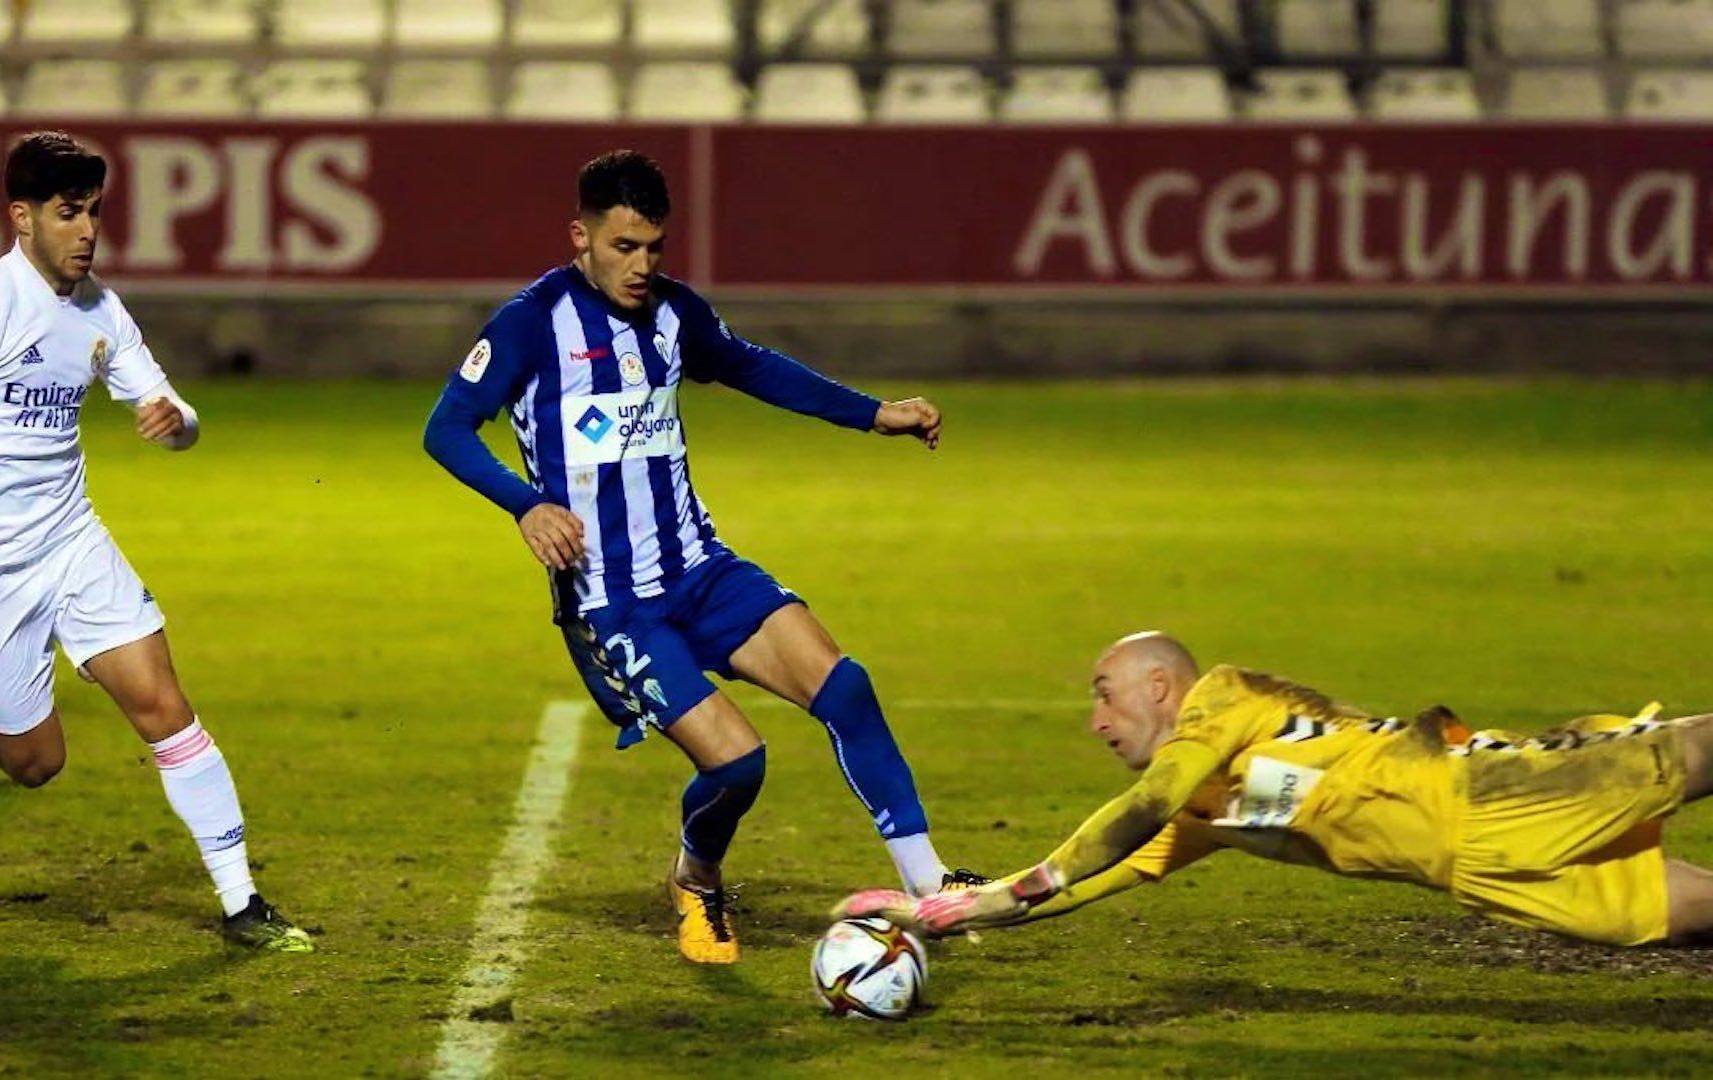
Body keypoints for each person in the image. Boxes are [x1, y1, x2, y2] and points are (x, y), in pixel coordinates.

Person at [424, 149, 982, 965]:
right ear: (580, 236)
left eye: (655, 247)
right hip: (612, 602)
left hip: (700, 569)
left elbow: (750, 365)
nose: (643, 265)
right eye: (623, 247)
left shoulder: (675, 314)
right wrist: (528, 503)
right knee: (737, 764)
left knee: (846, 687)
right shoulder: (528, 324)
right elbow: (445, 428)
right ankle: (696, 879)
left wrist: (874, 415)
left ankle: (930, 885)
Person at [0, 130, 311, 950]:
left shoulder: (101, 310)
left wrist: (177, 423)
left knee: (164, 706)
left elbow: (179, 418)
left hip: (73, 541)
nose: (88, 232)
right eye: (70, 214)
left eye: (96, 214)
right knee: (36, 764)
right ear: (22, 217)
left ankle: (242, 901)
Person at [838, 631, 1713, 948]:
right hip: (1484, 877)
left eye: (1103, 694)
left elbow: (1135, 813)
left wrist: (1023, 888)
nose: (1096, 721)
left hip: (1491, 790)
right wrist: (953, 906)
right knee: (1684, 916)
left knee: (1695, 755)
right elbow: (1111, 870)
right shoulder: (1208, 811)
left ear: (1158, 687)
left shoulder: (1223, 696)